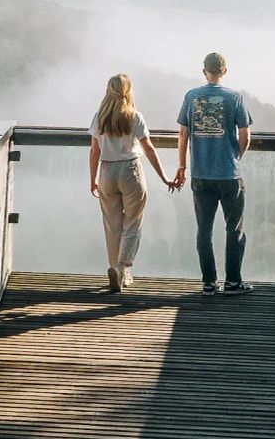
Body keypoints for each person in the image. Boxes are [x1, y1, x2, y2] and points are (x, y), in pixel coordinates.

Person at [172, 52, 254, 295]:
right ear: (224, 71)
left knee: (204, 230)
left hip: (200, 174)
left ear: (204, 71)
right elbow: (245, 136)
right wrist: (234, 158)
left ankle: (209, 283)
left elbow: (183, 134)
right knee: (234, 229)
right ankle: (233, 283)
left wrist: (182, 166)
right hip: (229, 175)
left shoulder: (191, 96)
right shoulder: (235, 97)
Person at [88, 73, 177, 294]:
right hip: (131, 170)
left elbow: (94, 151)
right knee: (133, 222)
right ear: (128, 91)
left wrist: (92, 179)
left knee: (112, 223)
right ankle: (124, 268)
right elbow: (148, 149)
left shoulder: (99, 117)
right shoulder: (135, 117)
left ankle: (113, 267)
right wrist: (164, 177)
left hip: (106, 171)